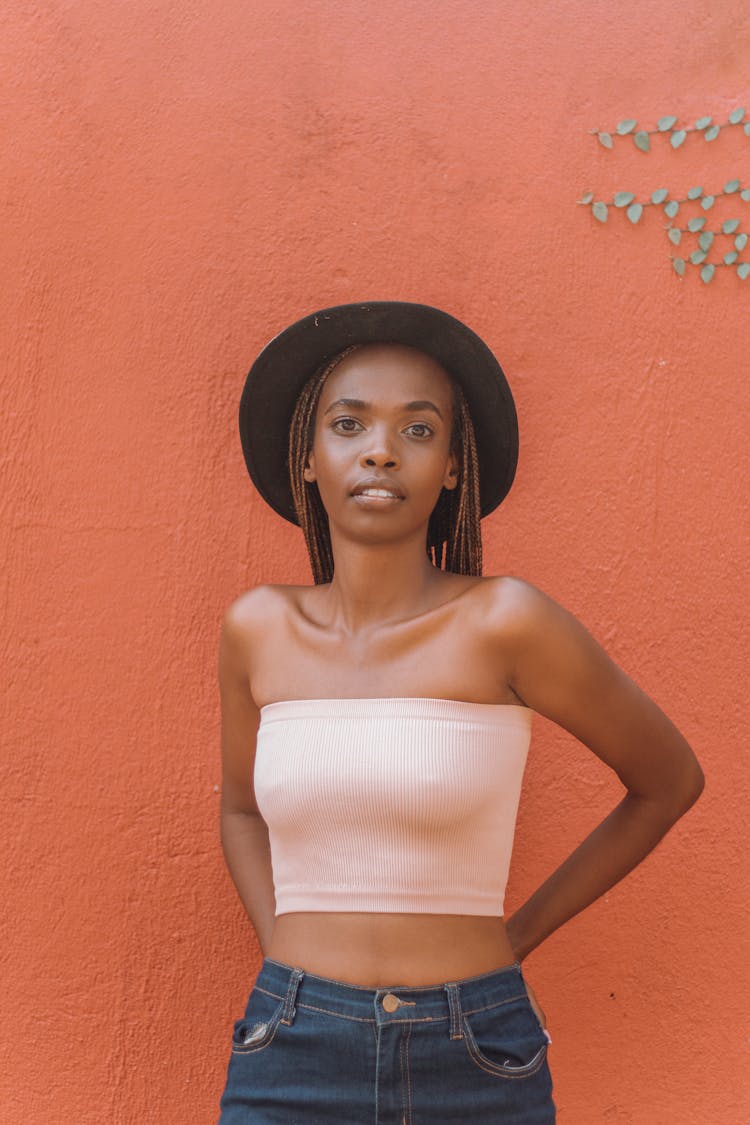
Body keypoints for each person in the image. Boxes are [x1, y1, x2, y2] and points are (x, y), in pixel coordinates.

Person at [216, 301, 704, 1123]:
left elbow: (668, 780)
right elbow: (238, 810)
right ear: (308, 456)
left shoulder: (507, 621)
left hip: (474, 1048)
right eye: (349, 423)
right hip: (291, 1049)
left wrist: (509, 947)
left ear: (450, 466)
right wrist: (288, 967)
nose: (379, 449)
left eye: (417, 429)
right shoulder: (258, 628)